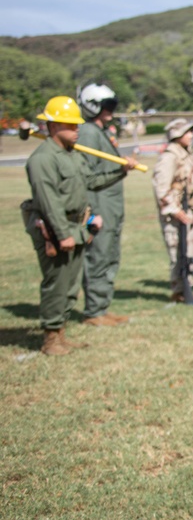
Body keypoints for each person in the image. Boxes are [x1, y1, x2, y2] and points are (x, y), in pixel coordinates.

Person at [23, 97, 107, 355]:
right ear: (52, 126)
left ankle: (60, 334)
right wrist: (62, 234)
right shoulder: (43, 159)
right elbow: (48, 202)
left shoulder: (72, 155)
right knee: (56, 283)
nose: (76, 128)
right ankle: (50, 338)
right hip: (55, 229)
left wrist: (122, 170)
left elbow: (91, 182)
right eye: (70, 124)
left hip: (76, 227)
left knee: (70, 285)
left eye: (76, 124)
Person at [75, 83, 139, 326]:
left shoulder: (102, 131)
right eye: (107, 106)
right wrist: (121, 171)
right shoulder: (90, 133)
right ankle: (93, 311)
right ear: (93, 107)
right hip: (100, 207)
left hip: (112, 207)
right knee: (99, 257)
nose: (111, 110)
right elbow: (89, 178)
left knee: (110, 256)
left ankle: (102, 307)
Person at [152, 118, 193, 303]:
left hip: (188, 211)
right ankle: (178, 290)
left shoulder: (186, 154)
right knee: (177, 254)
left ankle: (186, 288)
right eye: (187, 132)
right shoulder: (169, 156)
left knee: (188, 253)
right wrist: (174, 210)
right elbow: (161, 188)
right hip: (175, 215)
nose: (191, 135)